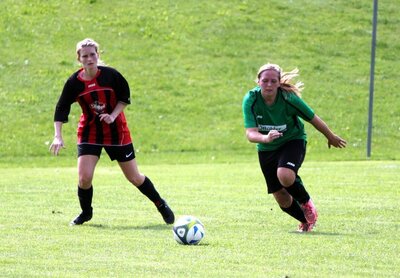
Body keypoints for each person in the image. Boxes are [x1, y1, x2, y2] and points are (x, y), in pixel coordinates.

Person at [49, 38, 175, 226]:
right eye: (85, 56)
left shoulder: (111, 76)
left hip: (117, 131)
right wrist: (58, 136)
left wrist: (113, 115)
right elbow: (61, 108)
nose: (90, 58)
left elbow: (124, 97)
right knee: (84, 178)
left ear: (98, 55)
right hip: (89, 131)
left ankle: (160, 203)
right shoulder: (74, 83)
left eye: (93, 54)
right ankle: (86, 213)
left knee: (134, 177)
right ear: (79, 59)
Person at [242, 63, 346, 232]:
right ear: (258, 81)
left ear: (278, 82)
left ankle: (306, 203)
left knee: (285, 175)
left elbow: (312, 118)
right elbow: (250, 133)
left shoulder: (288, 99)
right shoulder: (251, 100)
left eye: (273, 81)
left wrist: (330, 136)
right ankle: (305, 221)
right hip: (267, 148)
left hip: (292, 140)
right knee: (282, 198)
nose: (269, 84)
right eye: (265, 80)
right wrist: (265, 138)